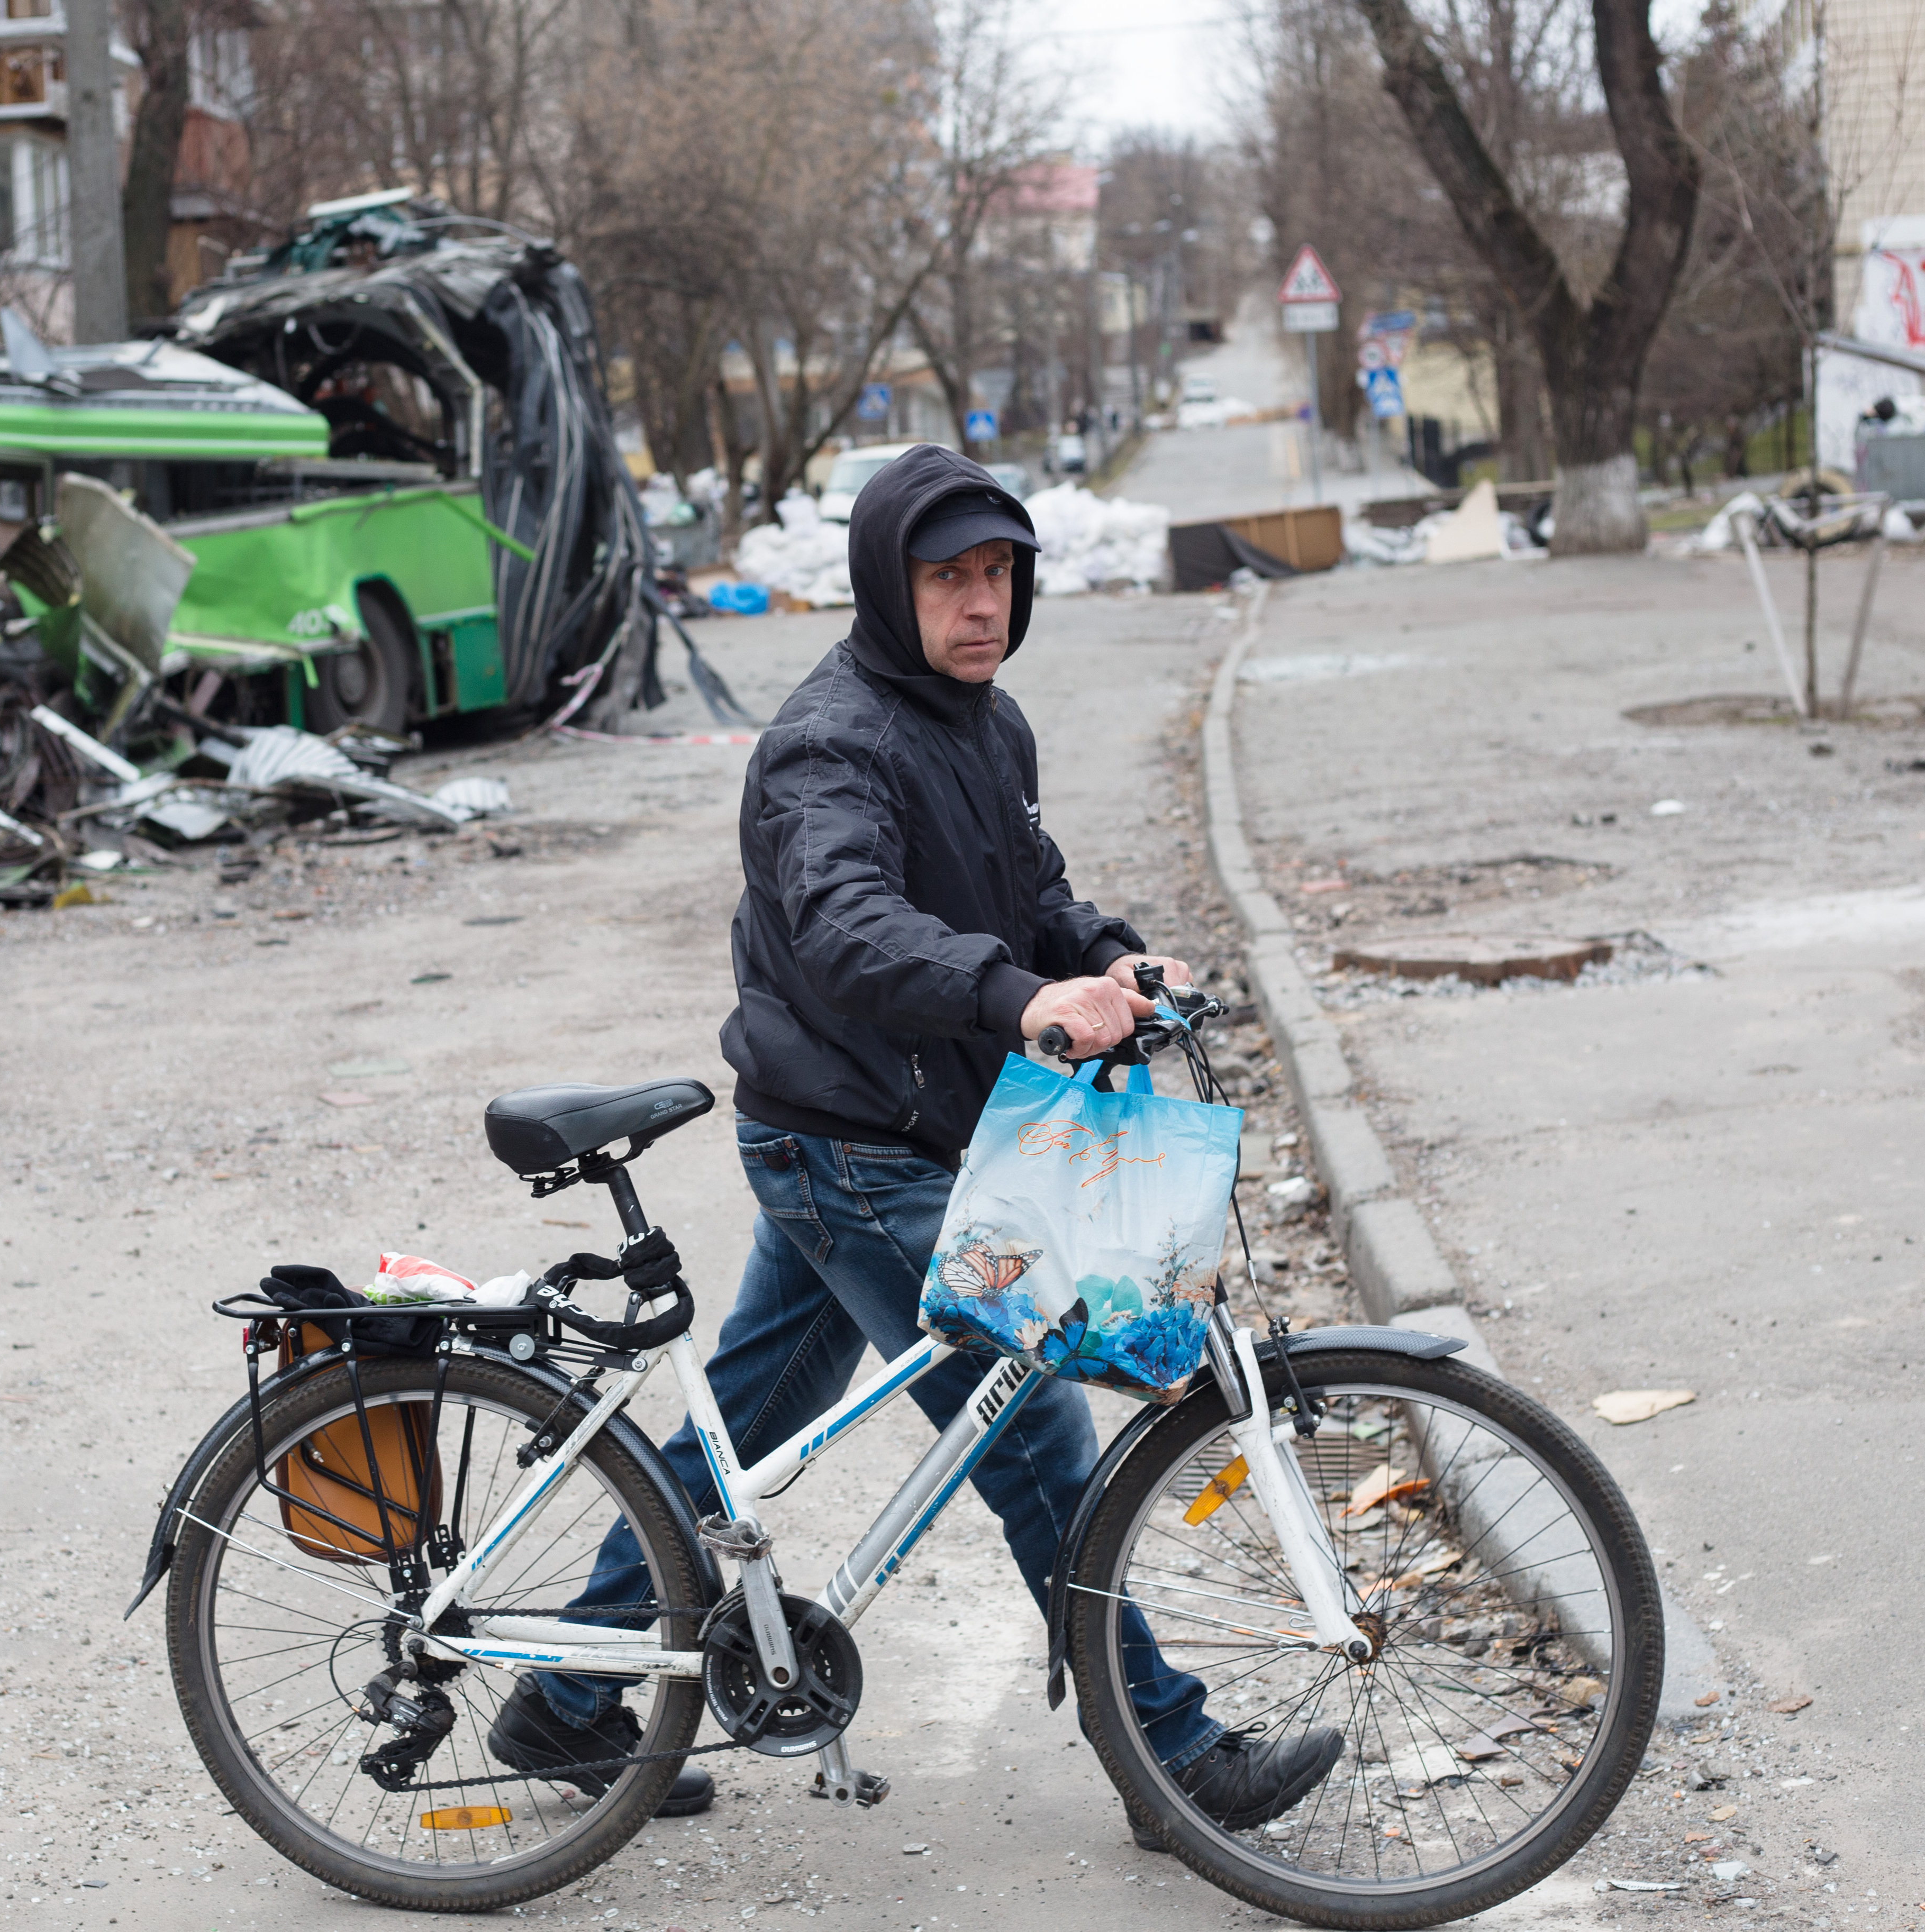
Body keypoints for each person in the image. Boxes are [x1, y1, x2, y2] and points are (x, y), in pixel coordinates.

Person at [486, 445, 1341, 1843]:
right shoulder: (832, 746)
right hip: (854, 1146)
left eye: (1000, 573)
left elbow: (1034, 889)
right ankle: (1170, 1753)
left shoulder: (985, 723)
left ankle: (573, 1690)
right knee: (1041, 1440)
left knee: (751, 1415)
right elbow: (847, 927)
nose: (981, 602)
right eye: (950, 578)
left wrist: (1114, 961)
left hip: (886, 1129)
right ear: (892, 586)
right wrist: (1020, 1001)